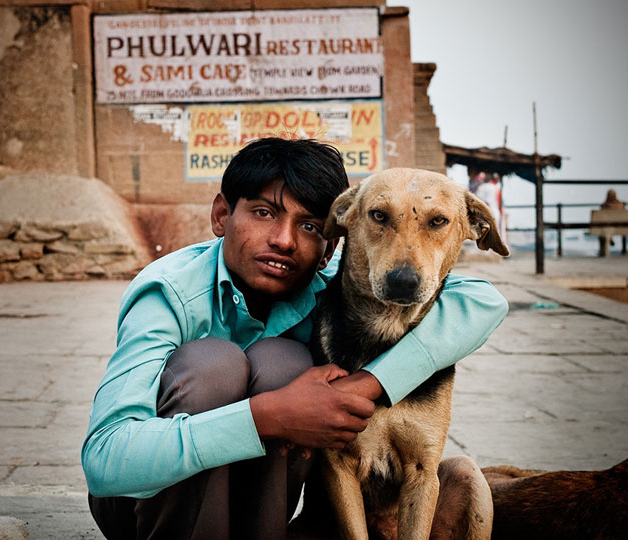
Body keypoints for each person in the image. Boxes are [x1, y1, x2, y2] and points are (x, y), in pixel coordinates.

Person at [82, 138, 508, 540]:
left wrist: (369, 384)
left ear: (330, 244)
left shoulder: (331, 286)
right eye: (264, 213)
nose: (284, 241)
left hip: (251, 509)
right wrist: (268, 416)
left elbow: (483, 302)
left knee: (283, 362)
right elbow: (106, 460)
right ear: (220, 216)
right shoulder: (168, 293)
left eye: (307, 225)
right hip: (143, 509)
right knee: (212, 365)